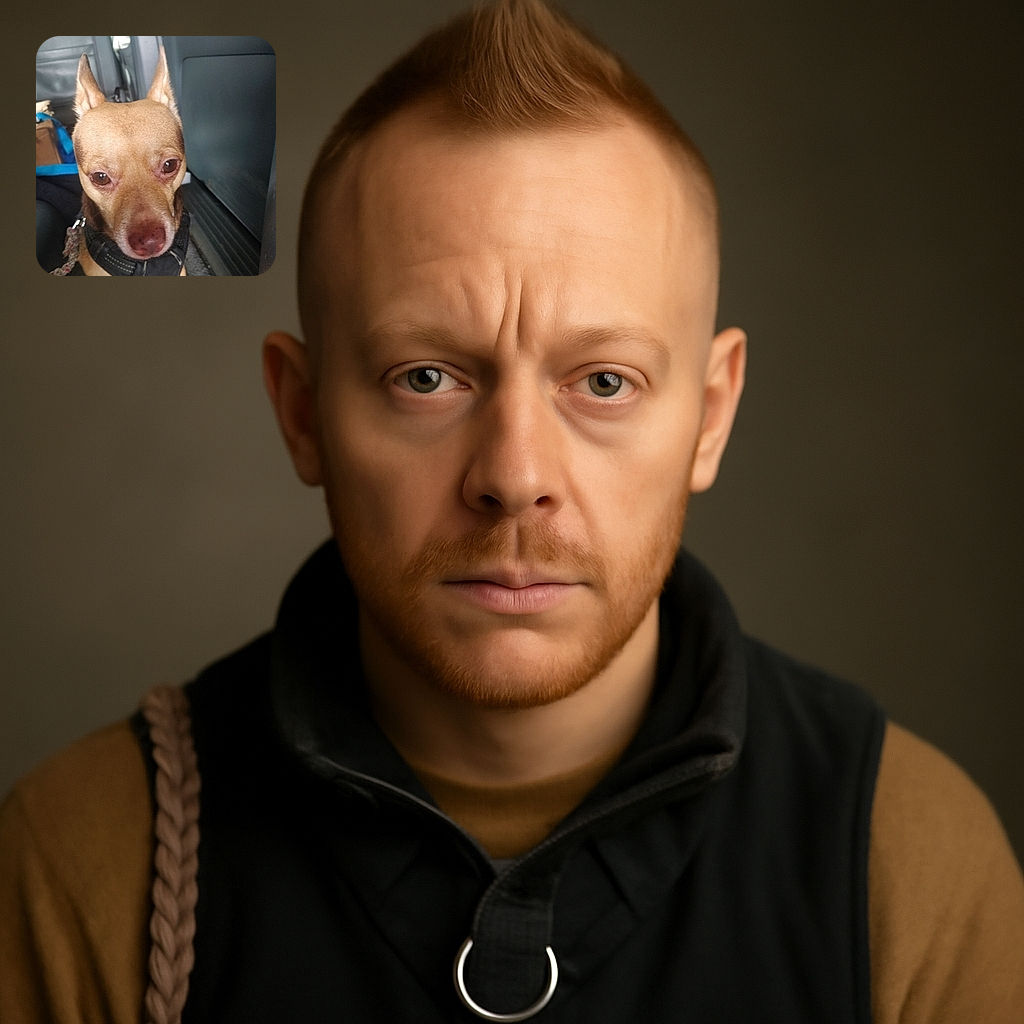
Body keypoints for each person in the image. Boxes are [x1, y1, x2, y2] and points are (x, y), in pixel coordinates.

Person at [2, 1, 1022, 1021]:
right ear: (302, 414)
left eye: (605, 382)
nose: (514, 474)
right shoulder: (86, 863)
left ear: (710, 419)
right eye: (428, 376)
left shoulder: (906, 861)